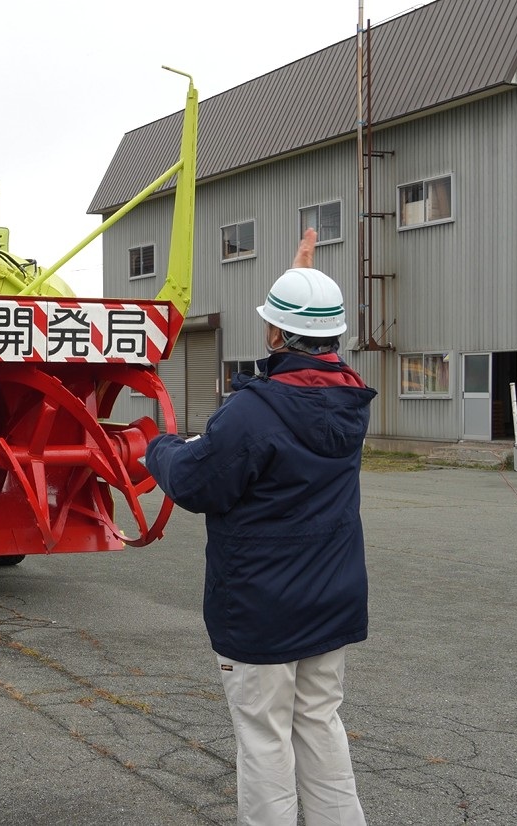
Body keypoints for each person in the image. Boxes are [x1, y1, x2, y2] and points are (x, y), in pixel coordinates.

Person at [144, 228, 377, 826]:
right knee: (319, 722)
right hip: (330, 601)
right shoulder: (350, 400)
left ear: (275, 334)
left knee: (264, 737)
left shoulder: (253, 412)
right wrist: (300, 275)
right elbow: (310, 365)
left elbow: (195, 483)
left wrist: (158, 446)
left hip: (261, 606)